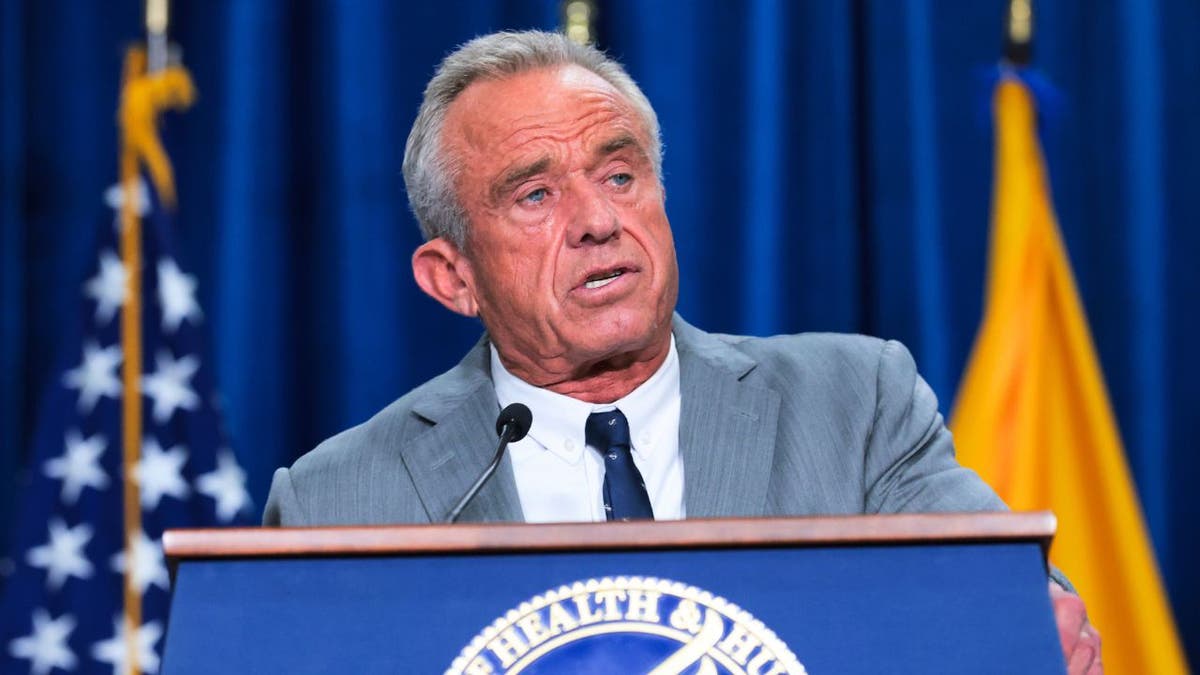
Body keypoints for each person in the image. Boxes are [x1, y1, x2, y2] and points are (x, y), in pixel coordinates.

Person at [263, 30, 1101, 673]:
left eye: (620, 175)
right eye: (536, 194)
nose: (598, 219)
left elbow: (1004, 590)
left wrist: (1028, 615)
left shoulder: (854, 404)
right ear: (453, 278)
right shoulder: (338, 500)